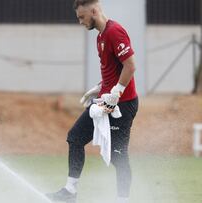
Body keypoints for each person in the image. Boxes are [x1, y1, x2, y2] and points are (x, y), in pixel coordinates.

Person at [46, 0, 138, 203]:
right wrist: (100, 87)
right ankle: (70, 192)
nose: (80, 22)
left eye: (82, 17)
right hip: (104, 101)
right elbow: (113, 69)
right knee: (75, 138)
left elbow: (130, 66)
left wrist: (116, 93)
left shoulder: (115, 32)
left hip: (122, 105)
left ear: (94, 11)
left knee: (118, 156)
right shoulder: (100, 37)